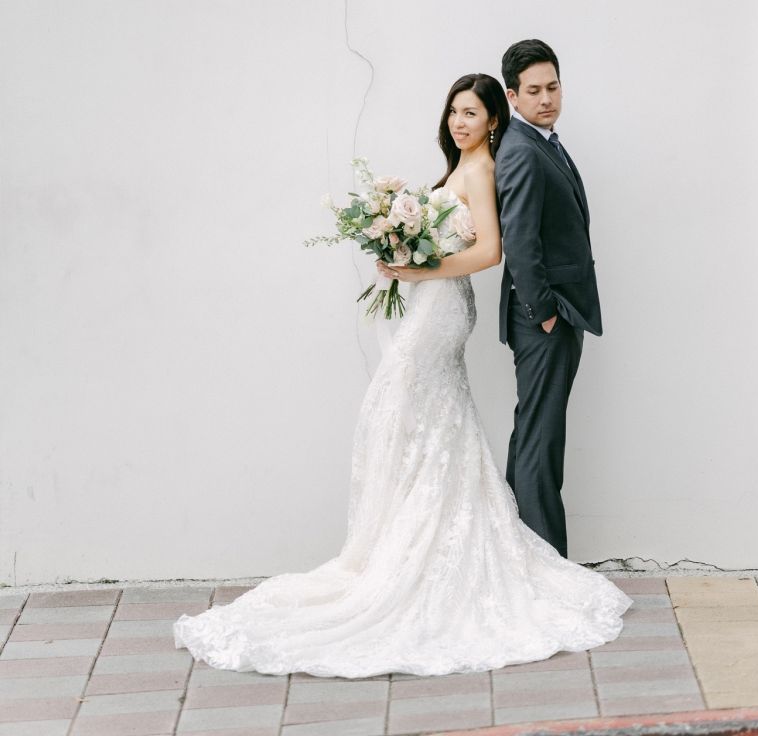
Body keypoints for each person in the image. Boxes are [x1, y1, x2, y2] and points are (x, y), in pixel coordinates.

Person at [174, 72, 629, 678]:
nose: (460, 122)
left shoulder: (484, 170)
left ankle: (433, 549)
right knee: (420, 419)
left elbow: (491, 250)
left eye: (472, 113)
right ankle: (402, 540)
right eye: (454, 112)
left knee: (410, 404)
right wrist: (401, 248)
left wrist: (420, 268)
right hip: (431, 303)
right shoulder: (461, 166)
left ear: (494, 119)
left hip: (442, 308)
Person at [495, 39, 601, 559]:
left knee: (534, 434)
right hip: (543, 316)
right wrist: (544, 315)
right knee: (541, 441)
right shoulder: (520, 149)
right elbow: (518, 241)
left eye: (553, 87)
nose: (546, 99)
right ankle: (547, 565)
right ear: (512, 97)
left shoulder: (544, 141)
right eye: (533, 90)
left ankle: (521, 556)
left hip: (558, 311)